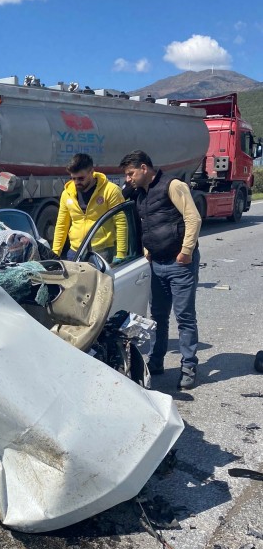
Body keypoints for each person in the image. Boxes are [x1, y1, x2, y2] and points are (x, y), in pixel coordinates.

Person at [119, 150, 201, 390]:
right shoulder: (140, 194)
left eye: (131, 173)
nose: (128, 178)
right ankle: (156, 361)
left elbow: (193, 218)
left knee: (184, 316)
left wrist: (186, 251)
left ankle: (189, 366)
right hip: (157, 264)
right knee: (159, 317)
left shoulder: (172, 185)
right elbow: (142, 222)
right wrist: (146, 251)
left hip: (179, 263)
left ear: (144, 168)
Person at [52, 153, 128, 264]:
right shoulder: (67, 193)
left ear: (91, 172)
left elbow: (121, 222)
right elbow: (62, 224)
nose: (77, 182)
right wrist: (55, 252)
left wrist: (121, 254)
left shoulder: (110, 191)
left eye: (81, 178)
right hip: (75, 251)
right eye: (73, 178)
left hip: (102, 251)